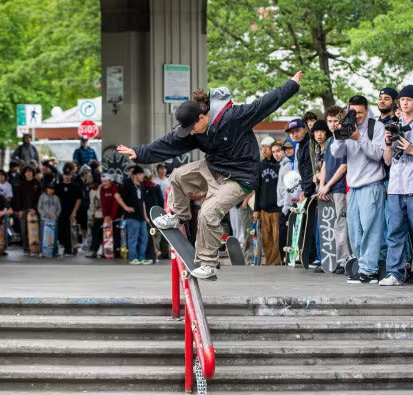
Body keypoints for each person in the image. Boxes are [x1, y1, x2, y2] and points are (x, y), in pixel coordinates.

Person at [116, 71, 302, 278]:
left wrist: (292, 84)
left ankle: (208, 262)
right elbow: (167, 143)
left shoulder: (233, 117)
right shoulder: (193, 130)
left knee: (207, 213)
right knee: (177, 175)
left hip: (240, 178)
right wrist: (139, 152)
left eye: (193, 128)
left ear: (204, 116)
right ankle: (178, 216)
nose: (192, 134)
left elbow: (266, 102)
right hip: (213, 168)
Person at [379, 85, 413, 287]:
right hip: (395, 186)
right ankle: (394, 272)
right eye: (402, 99)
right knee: (394, 231)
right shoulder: (394, 126)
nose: (404, 103)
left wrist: (411, 150)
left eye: (409, 100)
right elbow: (387, 161)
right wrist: (386, 143)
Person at [332, 95, 387, 284]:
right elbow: (336, 153)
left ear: (367, 110)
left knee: (371, 230)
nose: (358, 117)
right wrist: (339, 136)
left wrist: (359, 138)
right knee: (354, 232)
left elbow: (378, 155)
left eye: (361, 113)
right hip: (353, 187)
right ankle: (362, 266)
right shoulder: (348, 125)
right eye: (354, 113)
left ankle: (369, 270)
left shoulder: (375, 127)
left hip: (372, 185)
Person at [317, 107, 350, 273]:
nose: (332, 124)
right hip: (328, 188)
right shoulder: (330, 141)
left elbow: (344, 166)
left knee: (341, 224)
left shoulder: (344, 139)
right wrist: (322, 185)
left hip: (340, 187)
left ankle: (344, 260)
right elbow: (324, 165)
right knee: (331, 225)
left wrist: (329, 185)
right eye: (329, 121)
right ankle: (334, 258)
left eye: (335, 121)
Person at [115, 166, 152, 265]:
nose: (142, 176)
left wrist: (146, 216)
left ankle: (142, 257)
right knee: (133, 237)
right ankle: (133, 258)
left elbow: (143, 202)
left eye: (142, 174)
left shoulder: (141, 186)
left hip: (141, 216)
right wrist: (126, 207)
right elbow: (117, 196)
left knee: (144, 237)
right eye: (140, 174)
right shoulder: (127, 184)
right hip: (132, 216)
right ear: (135, 175)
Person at [253, 141, 282, 265]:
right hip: (264, 208)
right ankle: (269, 262)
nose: (263, 150)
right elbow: (257, 188)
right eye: (262, 147)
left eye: (266, 147)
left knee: (277, 238)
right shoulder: (260, 165)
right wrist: (256, 209)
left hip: (276, 208)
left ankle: (275, 262)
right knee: (266, 239)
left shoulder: (280, 165)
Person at [285, 118, 316, 198]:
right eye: (292, 132)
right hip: (307, 190)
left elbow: (309, 170)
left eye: (297, 130)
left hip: (314, 191)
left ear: (305, 130)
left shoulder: (309, 144)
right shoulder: (300, 145)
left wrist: (306, 192)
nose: (295, 134)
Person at [15, 166, 41, 255]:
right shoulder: (21, 184)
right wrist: (20, 210)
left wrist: (35, 208)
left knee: (36, 229)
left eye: (30, 171)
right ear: (24, 173)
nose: (28, 173)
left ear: (33, 173)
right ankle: (26, 248)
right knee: (23, 229)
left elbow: (39, 198)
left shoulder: (38, 183)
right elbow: (18, 199)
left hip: (35, 210)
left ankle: (36, 248)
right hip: (24, 210)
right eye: (26, 172)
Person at [55, 169, 82, 256]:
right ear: (63, 176)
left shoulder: (75, 186)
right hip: (60, 212)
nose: (67, 177)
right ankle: (62, 246)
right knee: (61, 230)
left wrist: (74, 211)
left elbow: (79, 199)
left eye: (68, 175)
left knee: (70, 231)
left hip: (70, 212)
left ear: (71, 176)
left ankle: (69, 249)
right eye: (65, 175)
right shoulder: (58, 186)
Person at [37, 183, 61, 257]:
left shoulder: (56, 198)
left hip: (54, 219)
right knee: (43, 235)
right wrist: (45, 214)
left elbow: (59, 208)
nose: (50, 190)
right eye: (49, 189)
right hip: (44, 219)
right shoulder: (42, 197)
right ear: (46, 189)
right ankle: (42, 251)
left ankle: (54, 251)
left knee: (54, 236)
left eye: (52, 189)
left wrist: (55, 215)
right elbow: (39, 207)